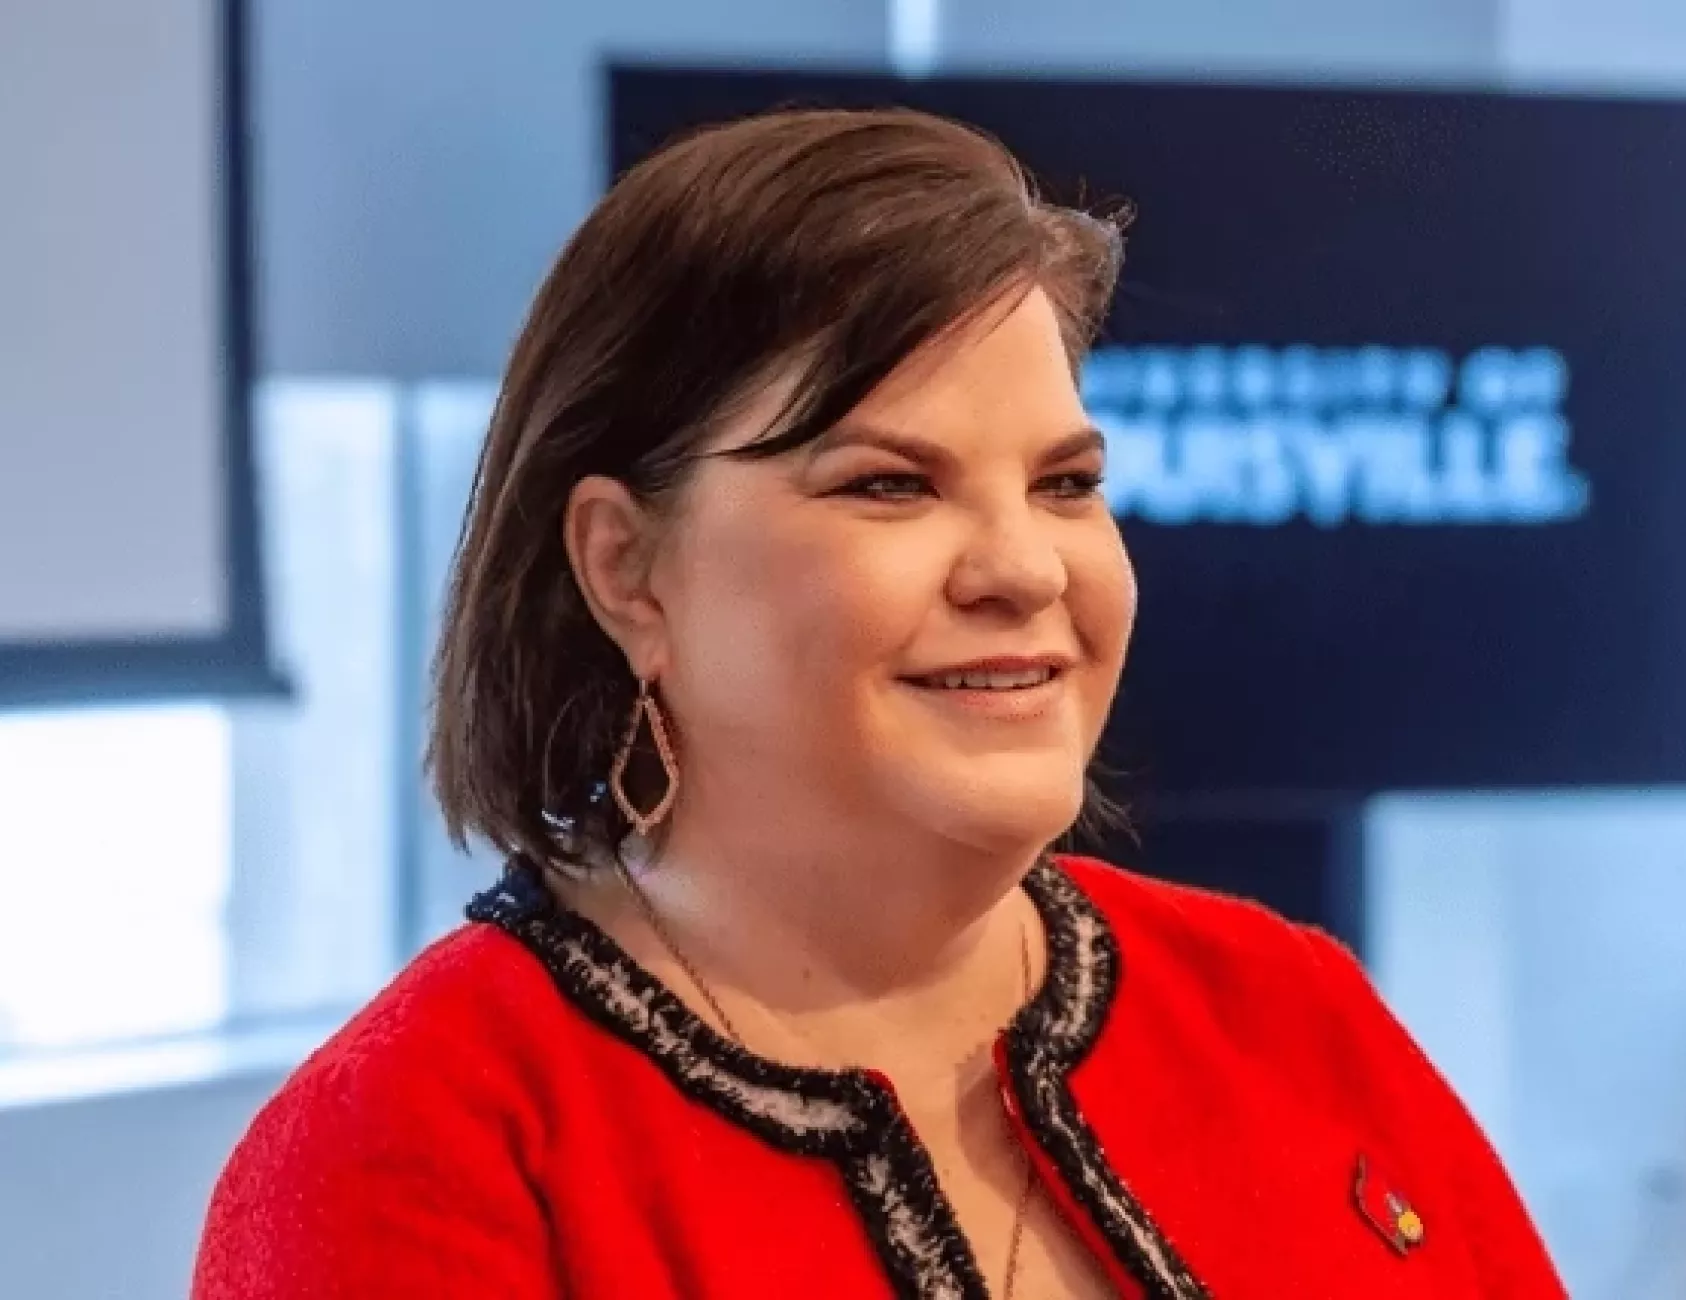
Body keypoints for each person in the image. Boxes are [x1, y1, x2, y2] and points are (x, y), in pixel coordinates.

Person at [191, 106, 1566, 1300]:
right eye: (887, 485)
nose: (1025, 568)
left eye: (1066, 484)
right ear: (628, 568)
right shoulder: (414, 1148)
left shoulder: (1289, 1010)